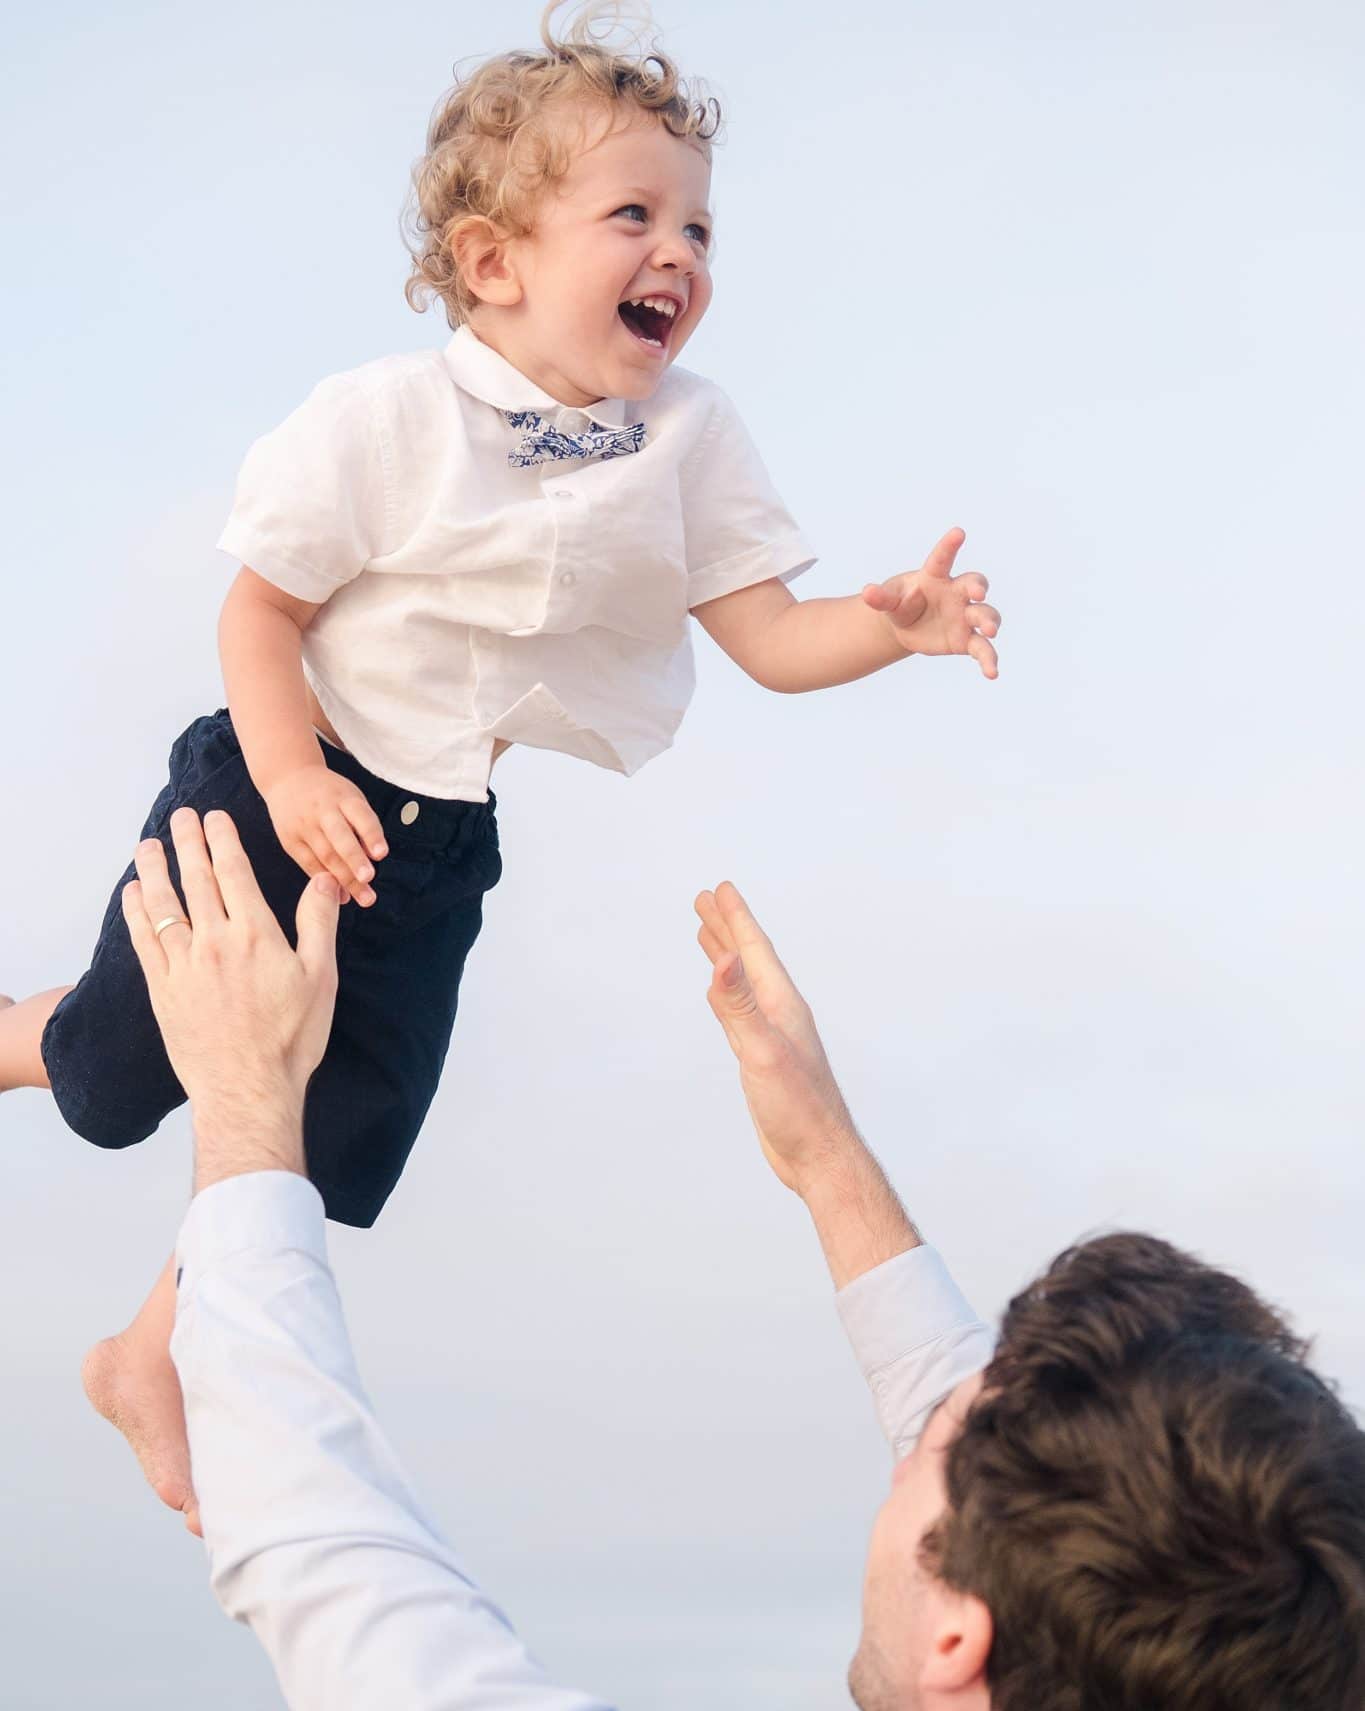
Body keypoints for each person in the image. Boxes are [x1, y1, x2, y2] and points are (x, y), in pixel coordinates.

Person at [123, 807, 1365, 1711]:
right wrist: (824, 1154)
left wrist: (244, 1095)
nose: (920, 1424)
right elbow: (1077, 1522)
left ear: (960, 1636)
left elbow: (337, 1570)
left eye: (926, 1456)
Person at [0, 2, 1000, 1532]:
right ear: (493, 262)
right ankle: (28, 1027)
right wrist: (284, 784)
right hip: (281, 774)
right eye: (634, 215)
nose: (680, 252)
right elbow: (257, 610)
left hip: (432, 839)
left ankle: (149, 1350)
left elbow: (774, 636)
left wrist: (896, 627)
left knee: (334, 1136)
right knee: (118, 1080)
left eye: (698, 226)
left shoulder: (690, 438)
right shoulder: (386, 420)